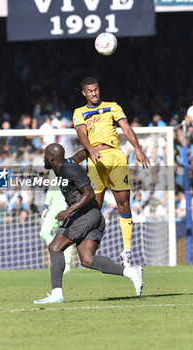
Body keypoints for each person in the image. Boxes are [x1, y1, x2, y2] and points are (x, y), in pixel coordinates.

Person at [33, 143, 143, 304]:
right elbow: (83, 152)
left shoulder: (69, 169)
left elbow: (90, 193)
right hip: (94, 216)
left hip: (83, 215)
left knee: (54, 247)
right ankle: (131, 272)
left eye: (44, 155)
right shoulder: (68, 163)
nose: (43, 158)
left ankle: (57, 294)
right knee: (87, 259)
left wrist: (69, 211)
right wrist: (93, 146)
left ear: (51, 157)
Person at [73, 77, 150, 266]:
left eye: (96, 90)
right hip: (95, 160)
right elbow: (82, 133)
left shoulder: (112, 106)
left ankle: (127, 251)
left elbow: (126, 127)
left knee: (124, 205)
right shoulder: (79, 112)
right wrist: (91, 150)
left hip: (116, 157)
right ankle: (90, 249)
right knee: (95, 210)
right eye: (90, 91)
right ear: (84, 93)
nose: (94, 93)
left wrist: (138, 149)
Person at [39, 170, 72, 273]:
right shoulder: (52, 171)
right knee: (43, 233)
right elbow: (51, 189)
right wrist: (46, 206)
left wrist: (69, 206)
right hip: (53, 209)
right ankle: (58, 250)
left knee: (66, 236)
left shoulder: (68, 170)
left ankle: (67, 264)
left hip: (64, 209)